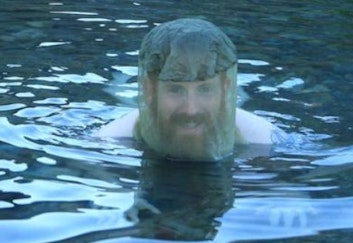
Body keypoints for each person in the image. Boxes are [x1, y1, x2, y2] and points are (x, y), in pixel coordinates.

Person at [99, 17, 276, 161]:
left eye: (205, 89)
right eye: (175, 90)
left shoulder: (266, 142)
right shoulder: (111, 143)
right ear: (149, 90)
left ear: (225, 88)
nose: (191, 110)